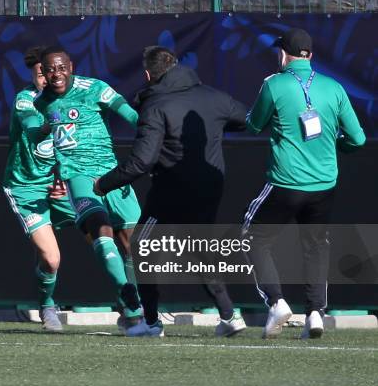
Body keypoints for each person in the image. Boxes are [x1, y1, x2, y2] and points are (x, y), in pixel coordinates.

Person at [95, 46, 249, 337]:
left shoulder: (156, 105)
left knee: (141, 247)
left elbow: (142, 160)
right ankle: (230, 315)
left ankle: (150, 323)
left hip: (171, 191)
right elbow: (245, 119)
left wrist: (103, 183)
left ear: (148, 74)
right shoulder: (214, 97)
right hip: (210, 187)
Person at [242, 28, 366, 339]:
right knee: (315, 246)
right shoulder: (334, 87)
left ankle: (277, 302)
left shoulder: (274, 84)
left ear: (284, 54)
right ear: (310, 55)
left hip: (286, 182)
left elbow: (253, 125)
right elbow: (358, 139)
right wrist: (339, 145)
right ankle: (315, 313)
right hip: (324, 185)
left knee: (252, 236)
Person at [35, 46, 160, 337]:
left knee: (132, 244)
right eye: (49, 70)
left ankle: (140, 311)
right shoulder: (42, 103)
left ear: (71, 66)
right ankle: (132, 309)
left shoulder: (95, 89)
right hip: (77, 178)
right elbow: (48, 133)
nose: (56, 75)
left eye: (61, 68)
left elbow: (132, 116)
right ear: (43, 73)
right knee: (101, 232)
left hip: (112, 174)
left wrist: (153, 144)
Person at [2, 46, 77, 331]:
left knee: (103, 232)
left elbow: (74, 147)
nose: (47, 78)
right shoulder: (25, 100)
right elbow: (35, 127)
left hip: (59, 184)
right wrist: (53, 120)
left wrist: (64, 177)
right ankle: (47, 305)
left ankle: (131, 305)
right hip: (26, 187)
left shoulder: (74, 100)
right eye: (41, 73)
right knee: (51, 257)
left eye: (52, 72)